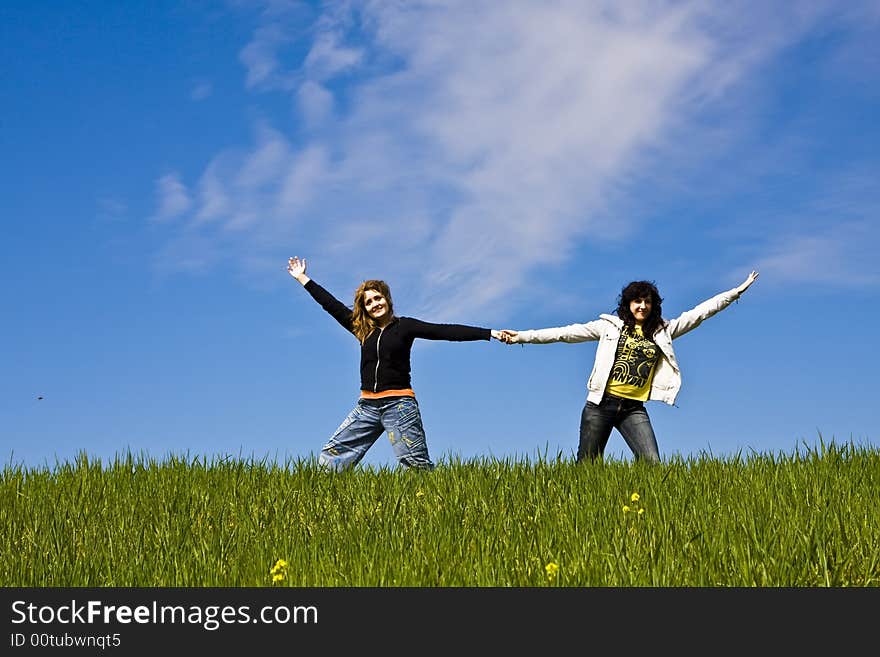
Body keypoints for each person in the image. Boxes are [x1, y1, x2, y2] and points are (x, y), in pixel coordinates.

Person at [499, 271, 759, 463]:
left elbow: (700, 313)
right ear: (628, 304)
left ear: (653, 305)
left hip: (633, 409)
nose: (642, 306)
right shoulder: (608, 327)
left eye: (647, 301)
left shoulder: (663, 331)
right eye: (637, 301)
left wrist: (736, 292)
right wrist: (522, 336)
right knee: (586, 467)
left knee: (652, 463)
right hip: (600, 405)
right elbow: (564, 333)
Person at [287, 256, 506, 471]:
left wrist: (490, 333)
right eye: (369, 302)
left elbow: (445, 330)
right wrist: (302, 278)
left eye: (378, 298)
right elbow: (330, 304)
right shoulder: (363, 331)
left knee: (416, 467)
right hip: (367, 408)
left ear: (387, 299)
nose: (375, 304)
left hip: (399, 405)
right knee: (331, 458)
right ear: (364, 309)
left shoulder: (405, 326)